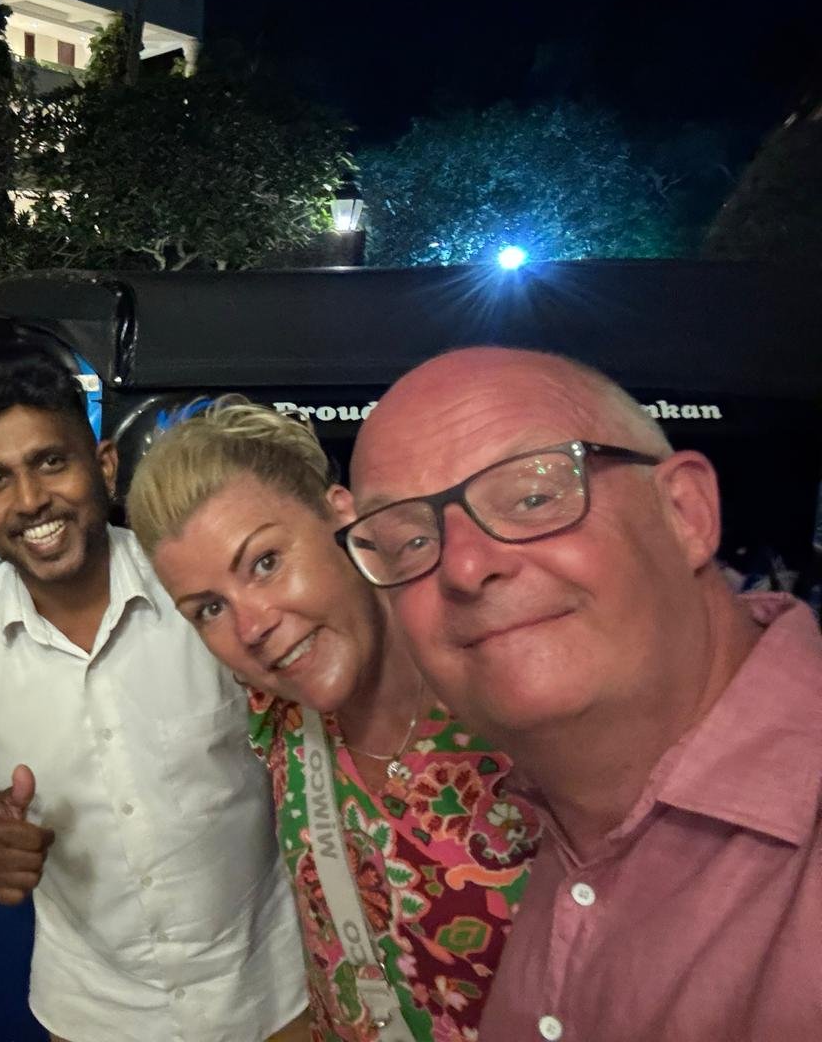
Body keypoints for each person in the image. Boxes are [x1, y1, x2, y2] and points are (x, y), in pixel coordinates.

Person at [346, 346, 822, 1040]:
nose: (465, 567)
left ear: (685, 512)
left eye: (533, 497)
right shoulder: (569, 810)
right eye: (410, 541)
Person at [0, 362, 310, 1042]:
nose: (30, 500)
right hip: (94, 1014)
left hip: (274, 994)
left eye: (51, 462)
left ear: (105, 467)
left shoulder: (199, 592)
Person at [127, 399, 541, 1042]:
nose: (251, 626)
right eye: (208, 609)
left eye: (266, 562)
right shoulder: (278, 714)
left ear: (343, 516)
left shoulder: (518, 705)